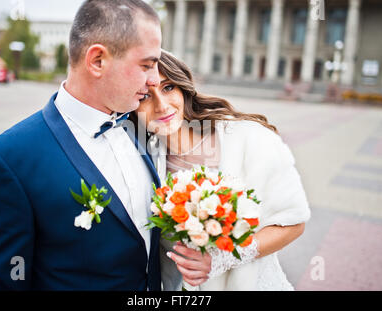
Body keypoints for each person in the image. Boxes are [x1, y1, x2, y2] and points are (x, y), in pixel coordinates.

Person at [0, 0, 163, 290]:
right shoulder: (6, 162)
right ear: (97, 61)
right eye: (147, 65)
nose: (156, 79)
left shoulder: (140, 130)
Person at [132, 50, 311, 290]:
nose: (161, 106)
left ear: (183, 88)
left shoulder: (250, 137)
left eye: (168, 88)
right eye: (145, 96)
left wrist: (221, 259)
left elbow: (293, 222)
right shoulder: (143, 163)